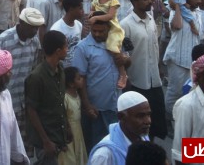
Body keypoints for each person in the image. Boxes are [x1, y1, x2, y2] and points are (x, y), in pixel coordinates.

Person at [72, 20, 131, 152]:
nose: (97, 34)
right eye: (94, 31)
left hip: (116, 106)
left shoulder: (117, 42)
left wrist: (126, 60)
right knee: (97, 147)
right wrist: (87, 105)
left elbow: (126, 63)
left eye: (101, 31)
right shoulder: (82, 48)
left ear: (108, 29)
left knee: (116, 147)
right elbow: (81, 79)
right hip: (96, 109)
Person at [0, 8, 44, 152]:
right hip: (6, 100)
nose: (35, 31)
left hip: (25, 101)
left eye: (37, 27)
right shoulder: (4, 40)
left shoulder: (35, 41)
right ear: (21, 23)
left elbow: (34, 68)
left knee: (23, 145)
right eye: (32, 27)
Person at [120, 0, 167, 140]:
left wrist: (158, 66)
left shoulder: (151, 20)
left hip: (154, 79)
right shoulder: (125, 24)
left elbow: (155, 45)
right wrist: (125, 77)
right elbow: (123, 54)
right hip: (137, 80)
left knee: (153, 121)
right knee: (138, 124)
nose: (150, 1)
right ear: (135, 2)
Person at [25, 30, 70, 165]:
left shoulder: (60, 70)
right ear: (58, 51)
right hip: (46, 140)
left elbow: (59, 103)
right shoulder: (36, 77)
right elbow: (31, 111)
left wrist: (67, 128)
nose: (67, 50)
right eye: (66, 47)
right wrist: (46, 141)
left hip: (57, 135)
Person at [163, 0, 202, 120]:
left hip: (191, 62)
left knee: (189, 92)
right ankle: (170, 120)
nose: (198, 1)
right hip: (177, 59)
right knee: (175, 92)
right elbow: (177, 26)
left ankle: (182, 120)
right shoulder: (175, 12)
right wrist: (178, 6)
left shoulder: (197, 13)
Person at [87, 91, 151, 165]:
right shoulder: (104, 154)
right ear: (121, 117)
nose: (148, 121)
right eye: (140, 116)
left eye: (149, 115)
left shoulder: (143, 137)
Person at [90, 0, 127, 89]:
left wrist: (96, 18)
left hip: (112, 28)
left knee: (113, 47)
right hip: (100, 27)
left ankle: (123, 74)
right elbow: (92, 9)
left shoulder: (114, 1)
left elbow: (110, 16)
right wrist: (91, 14)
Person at [61, 66, 87, 165]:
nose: (82, 79)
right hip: (70, 131)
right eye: (78, 78)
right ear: (71, 84)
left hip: (78, 130)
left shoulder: (76, 94)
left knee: (79, 153)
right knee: (70, 155)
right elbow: (63, 115)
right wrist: (67, 129)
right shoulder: (65, 98)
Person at [50, 0, 84, 67]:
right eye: (80, 8)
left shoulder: (79, 25)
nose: (83, 11)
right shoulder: (57, 29)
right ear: (71, 9)